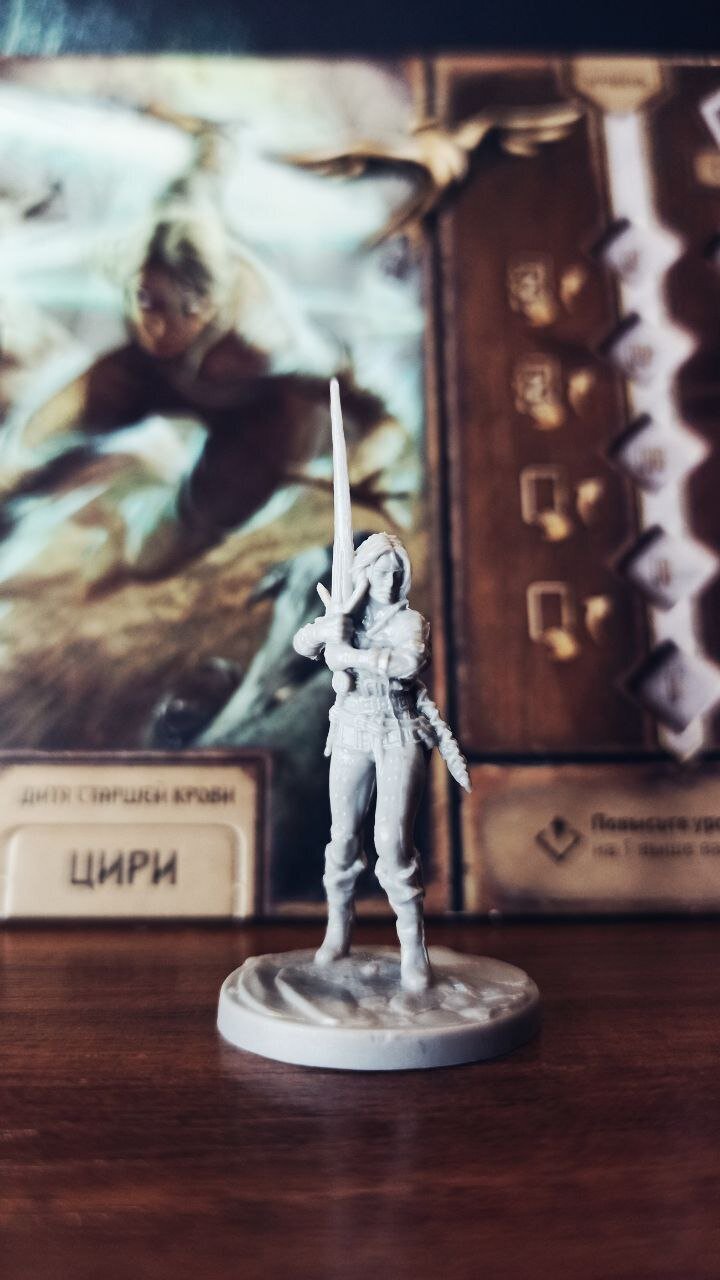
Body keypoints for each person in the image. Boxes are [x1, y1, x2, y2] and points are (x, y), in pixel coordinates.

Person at [293, 530, 437, 992]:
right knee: (343, 839)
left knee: (392, 844)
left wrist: (351, 654)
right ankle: (338, 932)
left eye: (396, 572)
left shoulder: (410, 621)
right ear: (364, 572)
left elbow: (409, 663)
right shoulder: (345, 615)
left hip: (398, 730)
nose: (389, 580)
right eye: (380, 571)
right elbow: (303, 644)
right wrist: (324, 632)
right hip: (352, 729)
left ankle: (413, 949)